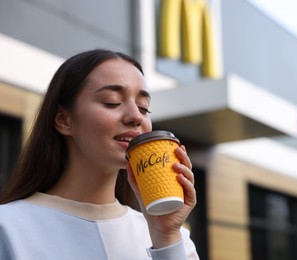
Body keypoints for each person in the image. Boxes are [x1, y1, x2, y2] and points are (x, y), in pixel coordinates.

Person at [0, 49, 199, 259]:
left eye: (143, 108)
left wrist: (166, 238)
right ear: (64, 120)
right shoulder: (8, 228)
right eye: (112, 102)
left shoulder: (174, 238)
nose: (135, 117)